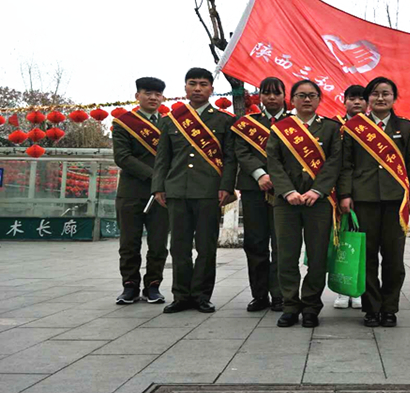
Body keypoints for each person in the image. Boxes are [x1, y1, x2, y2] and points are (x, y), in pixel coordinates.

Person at [338, 76, 410, 327]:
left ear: (394, 98)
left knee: (394, 259)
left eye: (386, 93)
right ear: (368, 99)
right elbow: (346, 165)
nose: (380, 98)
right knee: (366, 258)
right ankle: (371, 308)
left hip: (396, 201)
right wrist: (345, 194)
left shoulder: (406, 127)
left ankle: (389, 308)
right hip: (363, 200)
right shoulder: (354, 127)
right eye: (375, 93)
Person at [152, 67, 237, 314]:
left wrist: (226, 186)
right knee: (179, 247)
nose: (197, 88)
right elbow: (162, 158)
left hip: (210, 191)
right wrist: (158, 187)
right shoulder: (170, 120)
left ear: (211, 89)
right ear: (185, 88)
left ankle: (201, 296)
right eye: (192, 84)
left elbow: (230, 158)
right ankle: (181, 296)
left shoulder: (224, 120)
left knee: (206, 247)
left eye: (203, 84)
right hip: (177, 190)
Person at [266, 80, 342, 328]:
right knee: (286, 255)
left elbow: (334, 162)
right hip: (286, 202)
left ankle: (311, 306)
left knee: (317, 256)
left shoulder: (331, 128)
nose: (306, 100)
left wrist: (317, 191)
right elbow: (273, 162)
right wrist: (287, 191)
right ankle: (290, 305)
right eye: (301, 95)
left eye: (311, 95)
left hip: (318, 203)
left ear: (319, 99)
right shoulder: (280, 128)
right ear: (292, 100)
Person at [232, 77, 288, 313]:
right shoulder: (248, 123)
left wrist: (279, 178)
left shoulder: (294, 124)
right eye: (266, 93)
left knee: (282, 244)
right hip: (254, 189)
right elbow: (241, 152)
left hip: (285, 192)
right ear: (260, 96)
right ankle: (259, 295)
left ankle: (280, 294)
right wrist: (260, 174)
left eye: (276, 93)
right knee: (255, 243)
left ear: (284, 95)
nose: (271, 97)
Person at [113, 77, 170, 305]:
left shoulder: (169, 124)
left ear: (163, 97)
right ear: (138, 96)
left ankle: (153, 286)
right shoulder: (123, 123)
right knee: (129, 243)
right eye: (148, 93)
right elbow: (123, 157)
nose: (153, 98)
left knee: (158, 243)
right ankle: (130, 286)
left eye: (158, 94)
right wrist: (155, 176)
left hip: (162, 195)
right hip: (131, 192)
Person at [332, 84, 366, 310]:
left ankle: (359, 288)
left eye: (361, 98)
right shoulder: (335, 126)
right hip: (337, 193)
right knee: (341, 242)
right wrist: (342, 192)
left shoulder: (373, 128)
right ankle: (342, 289)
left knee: (363, 243)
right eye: (352, 98)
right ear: (344, 101)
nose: (357, 102)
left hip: (366, 193)